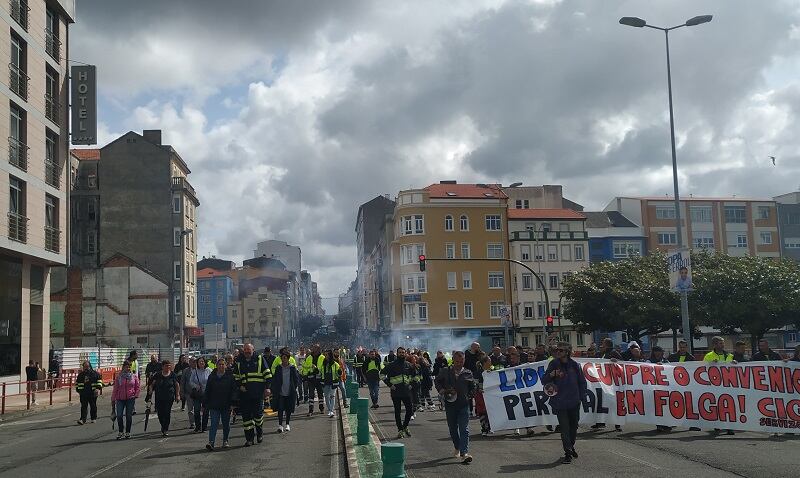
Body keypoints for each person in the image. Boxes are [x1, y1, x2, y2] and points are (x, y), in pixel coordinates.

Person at [542, 342, 587, 464]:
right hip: (560, 401)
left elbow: (582, 382)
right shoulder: (553, 364)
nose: (558, 352)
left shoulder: (575, 365)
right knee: (564, 428)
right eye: (557, 350)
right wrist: (551, 375)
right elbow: (544, 381)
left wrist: (582, 398)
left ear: (567, 352)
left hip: (574, 401)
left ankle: (571, 446)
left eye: (561, 350)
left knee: (574, 426)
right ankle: (567, 452)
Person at [435, 350, 475, 464]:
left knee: (464, 429)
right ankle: (457, 447)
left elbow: (473, 387)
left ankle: (464, 453)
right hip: (450, 404)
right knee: (452, 428)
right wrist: (442, 390)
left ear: (464, 360)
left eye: (461, 361)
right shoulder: (445, 371)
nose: (459, 363)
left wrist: (469, 396)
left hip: (463, 405)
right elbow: (437, 381)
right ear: (453, 360)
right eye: (457, 361)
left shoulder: (468, 373)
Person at [234, 343, 272, 446]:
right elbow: (236, 377)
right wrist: (239, 385)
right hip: (244, 395)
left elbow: (268, 375)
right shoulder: (238, 361)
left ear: (253, 350)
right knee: (246, 419)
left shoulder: (259, 359)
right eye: (245, 349)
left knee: (258, 416)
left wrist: (268, 388)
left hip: (257, 394)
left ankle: (259, 433)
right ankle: (249, 439)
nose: (247, 351)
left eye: (248, 349)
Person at [703, 336, 735, 436]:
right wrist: (710, 364)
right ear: (715, 345)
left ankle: (730, 427)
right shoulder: (708, 356)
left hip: (728, 384)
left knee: (729, 405)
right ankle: (718, 423)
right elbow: (702, 369)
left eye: (723, 343)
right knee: (718, 406)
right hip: (715, 385)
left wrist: (735, 363)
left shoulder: (729, 355)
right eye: (721, 343)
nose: (723, 345)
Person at [382, 347, 415, 438]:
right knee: (397, 412)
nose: (402, 354)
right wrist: (389, 384)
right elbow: (382, 374)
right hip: (396, 392)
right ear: (397, 354)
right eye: (400, 352)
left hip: (406, 392)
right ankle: (400, 430)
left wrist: (411, 383)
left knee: (410, 410)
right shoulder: (391, 365)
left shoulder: (408, 364)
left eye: (403, 352)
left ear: (405, 354)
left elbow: (414, 375)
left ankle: (404, 427)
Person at [205, 358, 236, 450]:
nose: (221, 366)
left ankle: (225, 440)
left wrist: (233, 403)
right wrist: (205, 403)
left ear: (226, 366)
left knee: (226, 424)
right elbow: (207, 391)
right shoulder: (212, 376)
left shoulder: (230, 377)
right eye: (219, 364)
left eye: (223, 364)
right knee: (214, 424)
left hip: (226, 405)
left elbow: (234, 390)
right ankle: (211, 442)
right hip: (214, 405)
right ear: (216, 366)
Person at [592, 339, 622, 431]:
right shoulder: (602, 353)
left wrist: (616, 361)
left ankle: (618, 424)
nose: (602, 345)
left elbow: (622, 363)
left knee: (613, 403)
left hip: (612, 382)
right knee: (601, 402)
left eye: (603, 344)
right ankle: (600, 422)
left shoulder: (614, 353)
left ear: (607, 345)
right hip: (603, 381)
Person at [271, 352, 302, 433]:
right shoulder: (278, 367)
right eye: (282, 358)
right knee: (280, 408)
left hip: (289, 391)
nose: (283, 359)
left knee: (288, 408)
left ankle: (287, 424)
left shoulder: (292, 368)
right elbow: (275, 379)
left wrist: (293, 388)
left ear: (288, 358)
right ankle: (280, 425)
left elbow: (296, 379)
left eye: (285, 358)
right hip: (280, 392)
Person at [148, 360, 180, 437]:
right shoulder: (158, 375)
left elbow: (177, 385)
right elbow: (152, 384)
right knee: (160, 413)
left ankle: (165, 428)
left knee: (167, 412)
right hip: (159, 397)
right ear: (162, 367)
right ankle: (163, 425)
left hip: (169, 397)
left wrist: (177, 395)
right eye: (166, 366)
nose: (168, 367)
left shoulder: (173, 375)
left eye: (169, 365)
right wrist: (150, 390)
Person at [111, 361, 140, 439]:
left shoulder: (134, 377)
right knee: (119, 415)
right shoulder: (119, 377)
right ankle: (121, 431)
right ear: (123, 367)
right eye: (126, 367)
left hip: (130, 399)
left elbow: (137, 387)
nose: (128, 368)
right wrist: (113, 399)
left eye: (129, 367)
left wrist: (136, 395)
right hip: (120, 399)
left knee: (128, 416)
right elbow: (115, 389)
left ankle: (127, 432)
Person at [475, 355, 497, 436]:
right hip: (481, 394)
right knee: (482, 412)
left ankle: (490, 427)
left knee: (490, 411)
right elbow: (475, 383)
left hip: (490, 394)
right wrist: (479, 389)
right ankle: (484, 428)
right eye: (489, 360)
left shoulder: (493, 370)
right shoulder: (478, 372)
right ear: (485, 362)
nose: (491, 362)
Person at [75, 360, 103, 425]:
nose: (86, 368)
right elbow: (77, 384)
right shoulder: (81, 375)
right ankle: (82, 419)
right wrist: (78, 391)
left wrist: (97, 389)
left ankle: (93, 418)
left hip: (92, 393)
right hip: (83, 393)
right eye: (84, 366)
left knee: (93, 406)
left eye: (87, 366)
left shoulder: (95, 374)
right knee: (83, 406)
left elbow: (99, 381)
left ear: (90, 366)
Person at [301, 344, 325, 416]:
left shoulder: (322, 357)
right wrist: (309, 369)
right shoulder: (309, 357)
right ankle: (310, 410)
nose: (313, 349)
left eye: (315, 348)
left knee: (320, 394)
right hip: (311, 378)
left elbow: (323, 368)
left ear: (318, 349)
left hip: (319, 378)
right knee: (311, 394)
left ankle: (321, 408)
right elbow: (304, 365)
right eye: (313, 348)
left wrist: (317, 369)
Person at [190, 357, 212, 433]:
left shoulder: (209, 370)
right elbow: (191, 381)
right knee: (196, 410)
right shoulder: (194, 371)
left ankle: (204, 427)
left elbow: (212, 380)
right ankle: (198, 426)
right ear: (197, 363)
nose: (201, 363)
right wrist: (196, 386)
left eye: (202, 361)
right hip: (197, 394)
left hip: (206, 393)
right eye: (200, 362)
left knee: (206, 411)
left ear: (205, 362)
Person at [321, 350, 341, 418]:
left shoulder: (335, 364)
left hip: (333, 382)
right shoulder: (323, 364)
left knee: (332, 396)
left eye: (327, 355)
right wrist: (316, 370)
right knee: (326, 396)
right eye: (325, 355)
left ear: (330, 355)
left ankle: (331, 411)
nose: (326, 356)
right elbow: (320, 372)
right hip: (325, 382)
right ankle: (329, 409)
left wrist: (339, 372)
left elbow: (338, 374)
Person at [181, 357, 197, 428]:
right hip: (189, 393)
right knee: (190, 409)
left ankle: (198, 422)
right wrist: (182, 392)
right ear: (189, 363)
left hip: (197, 393)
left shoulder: (199, 370)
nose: (194, 363)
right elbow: (182, 382)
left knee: (197, 408)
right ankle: (192, 423)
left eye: (195, 362)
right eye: (193, 362)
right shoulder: (186, 371)